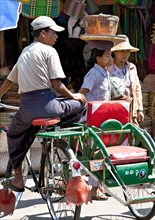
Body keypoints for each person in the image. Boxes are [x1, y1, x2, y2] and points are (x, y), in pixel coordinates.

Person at [0, 16, 86, 192]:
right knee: (80, 105)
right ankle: (54, 131)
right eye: (53, 33)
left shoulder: (25, 52)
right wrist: (74, 96)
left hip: (26, 110)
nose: (56, 37)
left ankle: (18, 178)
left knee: (14, 135)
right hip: (47, 106)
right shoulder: (49, 51)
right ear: (43, 33)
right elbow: (57, 84)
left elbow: (9, 82)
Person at [78, 41, 112, 200]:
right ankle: (93, 188)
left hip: (103, 117)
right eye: (107, 56)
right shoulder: (94, 73)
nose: (110, 58)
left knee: (103, 151)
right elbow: (82, 93)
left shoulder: (105, 72)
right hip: (92, 118)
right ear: (98, 58)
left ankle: (99, 185)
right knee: (95, 152)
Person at [109, 35, 144, 126]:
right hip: (113, 109)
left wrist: (139, 109)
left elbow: (137, 89)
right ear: (115, 52)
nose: (125, 54)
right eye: (122, 51)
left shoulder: (132, 67)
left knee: (130, 136)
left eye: (127, 51)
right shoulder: (108, 68)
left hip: (130, 110)